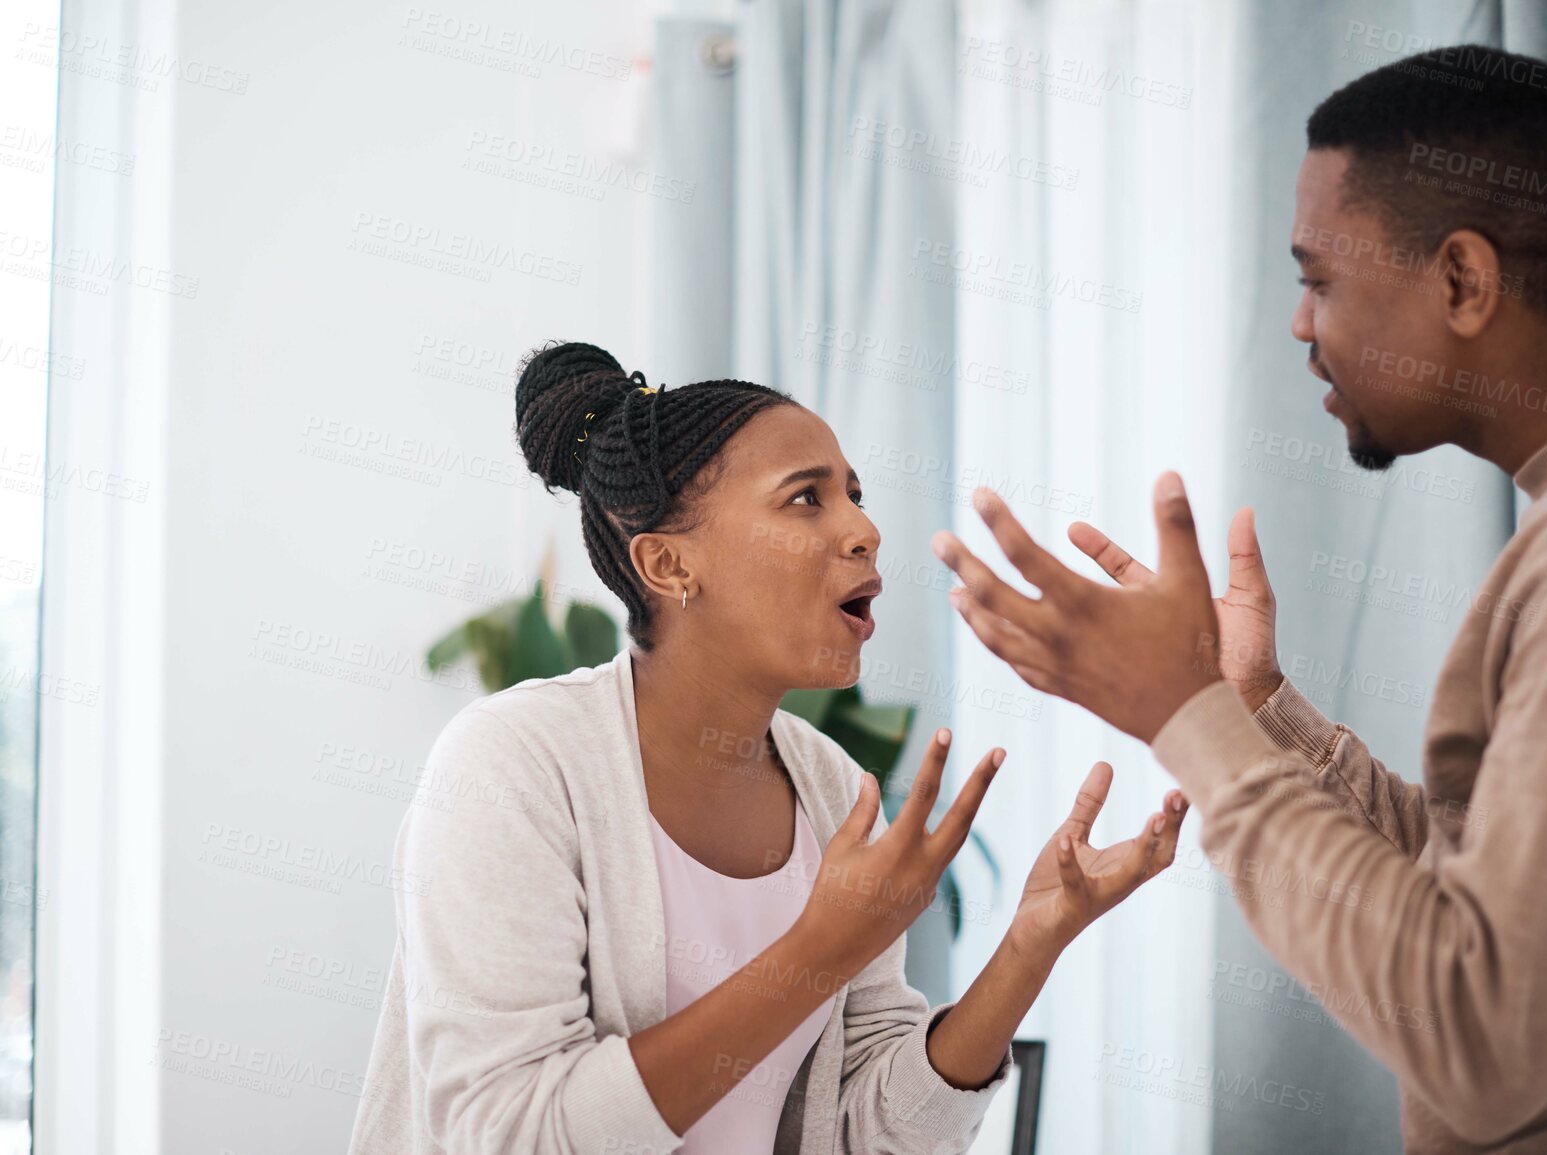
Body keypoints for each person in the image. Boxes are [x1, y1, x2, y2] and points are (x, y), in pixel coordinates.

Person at [932, 46, 1547, 1155]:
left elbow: (1479, 1034)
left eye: (1320, 280)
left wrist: (1184, 719)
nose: (1304, 326)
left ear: (1462, 279)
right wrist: (1254, 711)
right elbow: (1499, 908)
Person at [347, 341, 1189, 1155]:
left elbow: (875, 1131)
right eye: (805, 498)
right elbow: (509, 1132)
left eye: (854, 494)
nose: (864, 529)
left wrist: (1029, 944)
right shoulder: (514, 765)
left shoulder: (827, 784)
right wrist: (819, 947)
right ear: (669, 565)